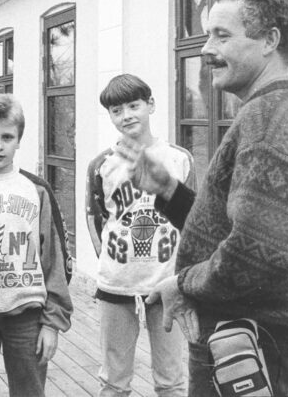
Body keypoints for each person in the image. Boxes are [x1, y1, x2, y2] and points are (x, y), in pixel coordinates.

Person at [123, 0, 288, 397]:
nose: (205, 49)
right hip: (261, 337)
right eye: (206, 35)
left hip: (246, 340)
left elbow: (262, 255)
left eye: (221, 35)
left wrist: (182, 284)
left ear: (270, 40)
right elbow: (248, 233)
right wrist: (171, 193)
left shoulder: (267, 120)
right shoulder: (280, 108)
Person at [85, 74, 194, 397]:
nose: (127, 115)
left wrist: (183, 276)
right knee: (113, 381)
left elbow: (194, 218)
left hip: (165, 281)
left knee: (171, 379)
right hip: (116, 281)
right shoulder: (101, 164)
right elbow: (96, 219)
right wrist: (113, 261)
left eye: (134, 105)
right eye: (117, 110)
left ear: (151, 105)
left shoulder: (178, 159)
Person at [0, 93, 73, 397]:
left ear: (19, 139)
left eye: (7, 137)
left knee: (29, 390)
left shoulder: (36, 189)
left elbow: (55, 258)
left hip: (27, 313)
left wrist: (53, 322)